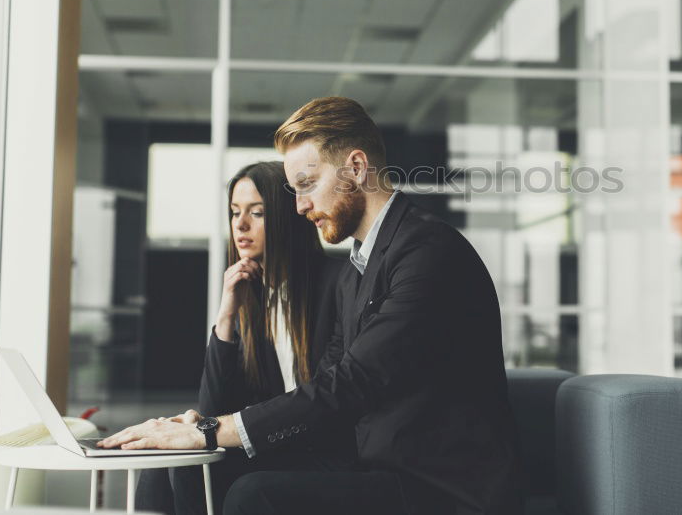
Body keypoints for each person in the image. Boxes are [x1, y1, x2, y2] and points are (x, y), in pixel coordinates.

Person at [103, 97, 523, 515]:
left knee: (253, 495)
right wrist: (199, 430)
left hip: (439, 487)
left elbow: (352, 381)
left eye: (307, 184)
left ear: (356, 168)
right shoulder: (360, 268)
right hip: (375, 466)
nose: (300, 205)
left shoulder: (427, 253)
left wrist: (215, 430)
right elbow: (327, 380)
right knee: (176, 466)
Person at [132, 161, 352, 515]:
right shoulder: (252, 295)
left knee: (205, 475)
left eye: (258, 213)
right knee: (164, 461)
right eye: (235, 212)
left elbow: (326, 402)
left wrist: (212, 429)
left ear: (287, 217)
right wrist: (227, 315)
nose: (241, 224)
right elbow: (215, 406)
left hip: (323, 453)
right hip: (275, 448)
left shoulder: (337, 283)